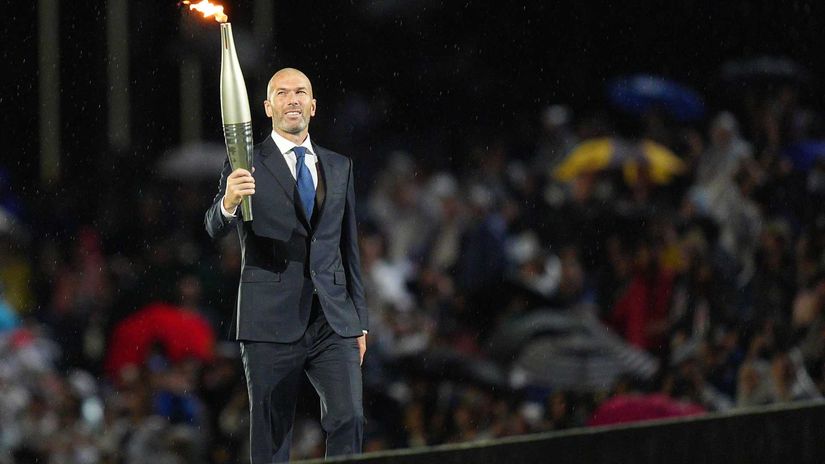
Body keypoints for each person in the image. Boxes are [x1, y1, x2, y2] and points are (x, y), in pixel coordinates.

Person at [204, 67, 369, 463]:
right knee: (272, 432)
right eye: (282, 93)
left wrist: (359, 320)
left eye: (300, 92)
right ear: (266, 106)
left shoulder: (339, 166)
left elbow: (349, 250)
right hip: (270, 322)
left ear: (313, 106)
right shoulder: (246, 162)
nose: (292, 99)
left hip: (332, 319)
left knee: (349, 419)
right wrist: (228, 203)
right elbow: (212, 226)